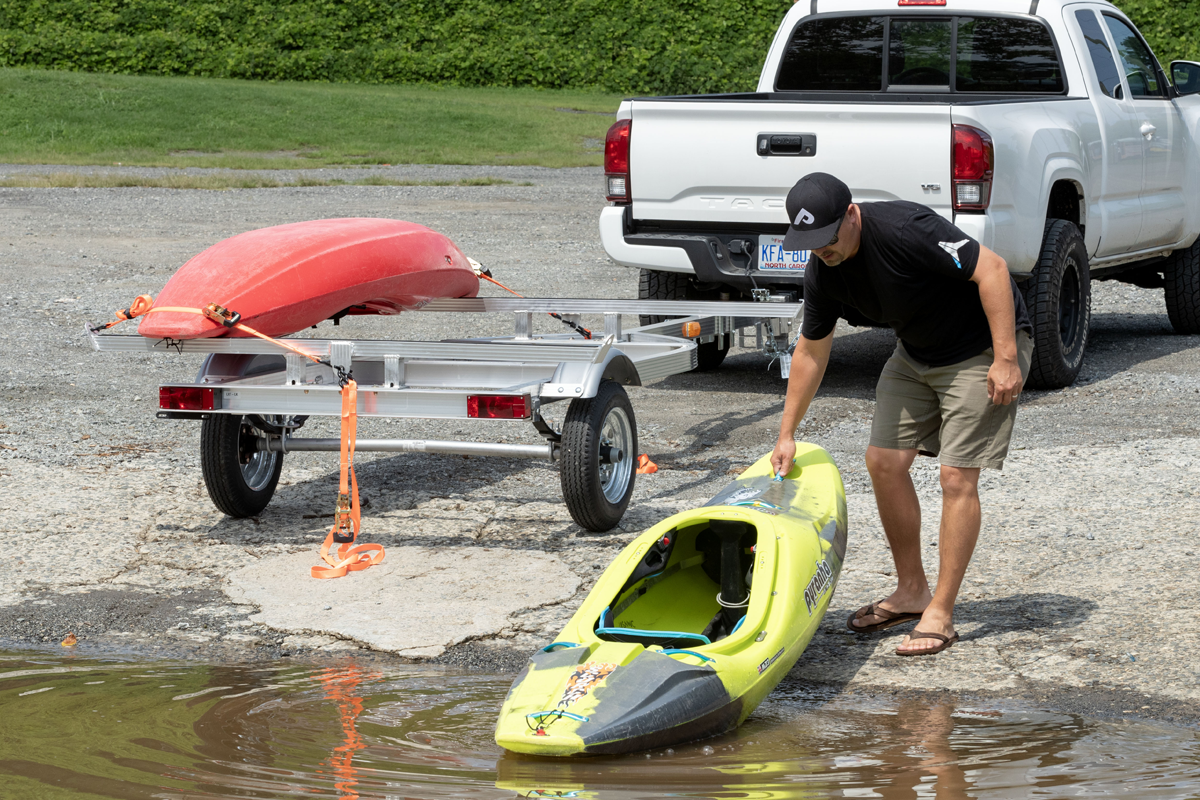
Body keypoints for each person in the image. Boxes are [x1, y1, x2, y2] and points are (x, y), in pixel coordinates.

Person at [769, 173, 1033, 656]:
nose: (822, 251)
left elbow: (992, 269)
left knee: (955, 476)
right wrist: (787, 433)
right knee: (883, 461)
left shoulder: (905, 228)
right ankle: (912, 591)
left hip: (979, 349)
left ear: (852, 215)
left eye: (828, 239)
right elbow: (811, 351)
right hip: (916, 353)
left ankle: (941, 613)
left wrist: (1007, 358)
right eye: (811, 244)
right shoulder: (823, 270)